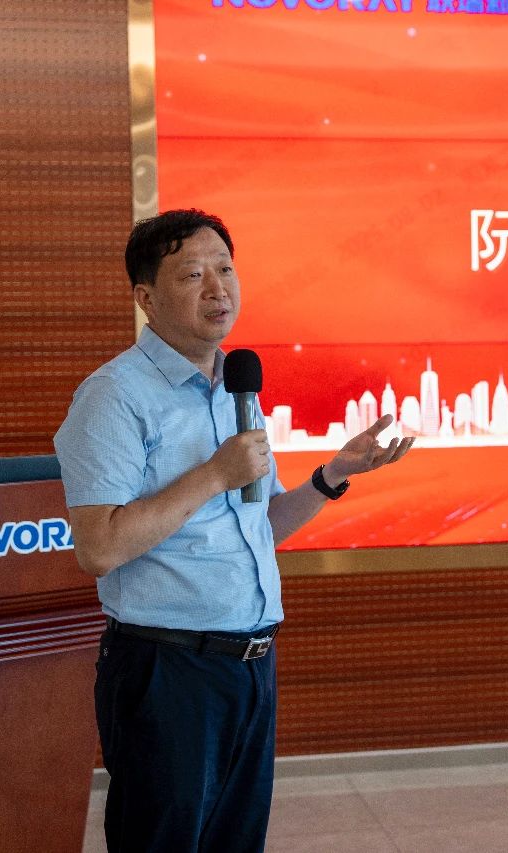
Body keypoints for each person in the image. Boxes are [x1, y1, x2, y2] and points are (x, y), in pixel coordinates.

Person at [54, 209, 414, 852]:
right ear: (145, 298)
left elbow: (256, 526)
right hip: (167, 669)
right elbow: (99, 547)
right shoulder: (114, 397)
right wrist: (213, 474)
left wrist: (333, 475)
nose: (218, 289)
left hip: (250, 665)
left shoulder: (235, 388)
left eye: (225, 269)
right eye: (193, 274)